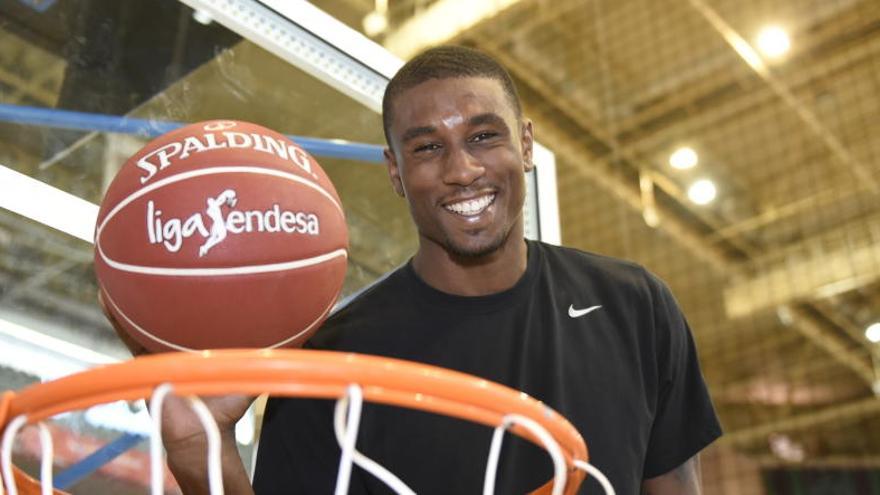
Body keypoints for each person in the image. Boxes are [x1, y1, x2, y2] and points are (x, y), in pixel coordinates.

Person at [116, 45, 721, 494]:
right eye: (428, 147)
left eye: (485, 136)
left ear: (527, 146)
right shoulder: (332, 360)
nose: (462, 170)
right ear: (395, 172)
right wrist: (199, 454)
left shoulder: (634, 304)